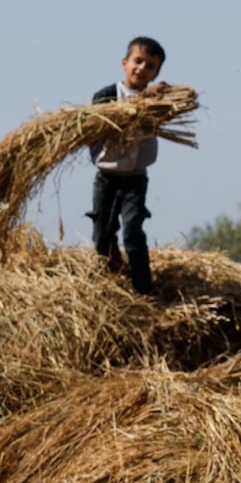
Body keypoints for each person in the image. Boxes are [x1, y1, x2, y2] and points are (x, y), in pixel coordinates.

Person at [88, 36, 169, 293]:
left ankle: (144, 289)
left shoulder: (158, 101)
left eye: (150, 66)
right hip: (107, 177)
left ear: (156, 73)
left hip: (135, 177)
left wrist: (160, 91)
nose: (142, 68)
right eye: (138, 61)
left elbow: (175, 95)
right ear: (125, 63)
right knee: (102, 233)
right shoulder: (106, 97)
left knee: (132, 231)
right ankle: (112, 276)